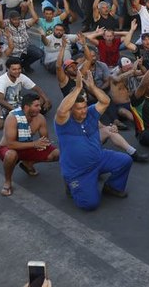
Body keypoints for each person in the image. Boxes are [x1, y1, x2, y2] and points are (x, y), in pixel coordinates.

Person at [55, 71, 132, 210]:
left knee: (125, 161)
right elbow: (61, 111)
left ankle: (111, 187)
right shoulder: (63, 122)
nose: (83, 111)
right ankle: (72, 185)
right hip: (78, 171)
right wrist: (78, 88)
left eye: (84, 107)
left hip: (99, 159)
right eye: (79, 109)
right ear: (71, 110)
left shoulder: (91, 113)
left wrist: (92, 88)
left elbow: (105, 101)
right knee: (90, 204)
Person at [0, 93, 59, 197]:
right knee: (11, 155)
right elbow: (11, 144)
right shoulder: (12, 118)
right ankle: (8, 182)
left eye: (39, 105)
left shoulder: (40, 118)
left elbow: (45, 140)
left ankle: (28, 163)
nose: (40, 108)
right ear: (26, 107)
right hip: (9, 148)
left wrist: (43, 144)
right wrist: (35, 144)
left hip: (27, 146)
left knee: (56, 154)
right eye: (36, 106)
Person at [0, 0, 43, 73]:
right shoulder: (6, 24)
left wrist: (29, 6)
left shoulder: (23, 23)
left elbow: (35, 18)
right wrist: (0, 6)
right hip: (13, 52)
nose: (16, 21)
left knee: (39, 53)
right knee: (15, 67)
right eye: (14, 20)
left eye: (18, 19)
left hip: (25, 48)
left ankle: (24, 65)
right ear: (10, 19)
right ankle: (18, 67)